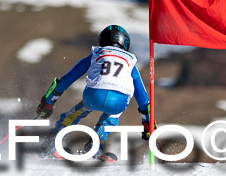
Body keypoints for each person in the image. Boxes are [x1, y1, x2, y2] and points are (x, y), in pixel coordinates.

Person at [36, 25, 154, 159]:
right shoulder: (130, 61)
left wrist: (48, 101)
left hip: (93, 96)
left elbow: (68, 79)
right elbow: (143, 100)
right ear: (125, 44)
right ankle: (95, 146)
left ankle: (51, 142)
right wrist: (148, 124)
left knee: (76, 112)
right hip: (118, 100)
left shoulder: (97, 53)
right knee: (113, 113)